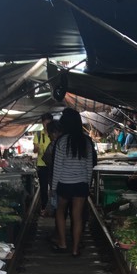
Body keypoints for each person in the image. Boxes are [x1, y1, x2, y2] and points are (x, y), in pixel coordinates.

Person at [50, 108, 96, 257]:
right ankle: (75, 249)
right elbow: (89, 167)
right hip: (81, 184)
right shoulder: (86, 141)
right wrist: (87, 185)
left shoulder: (61, 141)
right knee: (77, 216)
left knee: (60, 211)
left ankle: (63, 243)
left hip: (64, 183)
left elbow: (57, 166)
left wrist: (54, 187)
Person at [33, 113, 53, 213]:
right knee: (43, 188)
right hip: (42, 165)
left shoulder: (55, 134)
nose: (47, 125)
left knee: (54, 188)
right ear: (42, 123)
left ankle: (54, 207)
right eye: (45, 123)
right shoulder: (38, 135)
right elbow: (35, 150)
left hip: (53, 165)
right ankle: (44, 208)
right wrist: (36, 148)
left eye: (49, 123)